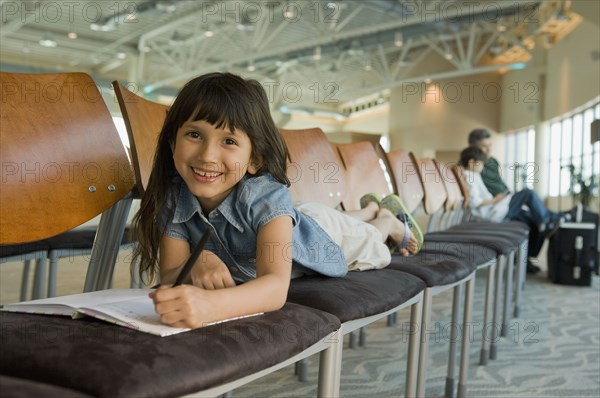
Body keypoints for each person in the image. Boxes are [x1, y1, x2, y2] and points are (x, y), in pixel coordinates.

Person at [133, 72, 417, 329]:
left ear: (255, 160)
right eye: (194, 134)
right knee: (330, 217)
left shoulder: (265, 197)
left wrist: (211, 307)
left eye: (229, 141)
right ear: (173, 143)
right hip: (295, 218)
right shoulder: (174, 197)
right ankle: (369, 208)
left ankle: (385, 220)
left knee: (366, 240)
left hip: (317, 238)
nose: (207, 155)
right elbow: (171, 273)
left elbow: (274, 287)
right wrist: (197, 262)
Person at [459, 146, 564, 271]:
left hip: (496, 210)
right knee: (527, 193)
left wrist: (497, 199)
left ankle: (545, 225)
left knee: (531, 219)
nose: (482, 167)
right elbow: (474, 202)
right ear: (471, 163)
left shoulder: (472, 175)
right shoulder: (470, 176)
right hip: (494, 213)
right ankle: (550, 220)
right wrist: (495, 200)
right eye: (481, 163)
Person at [468, 128, 510, 197]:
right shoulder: (468, 165)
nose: (489, 150)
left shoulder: (493, 161)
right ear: (473, 147)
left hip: (506, 196)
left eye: (490, 145)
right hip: (495, 201)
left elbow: (499, 181)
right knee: (529, 193)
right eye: (484, 146)